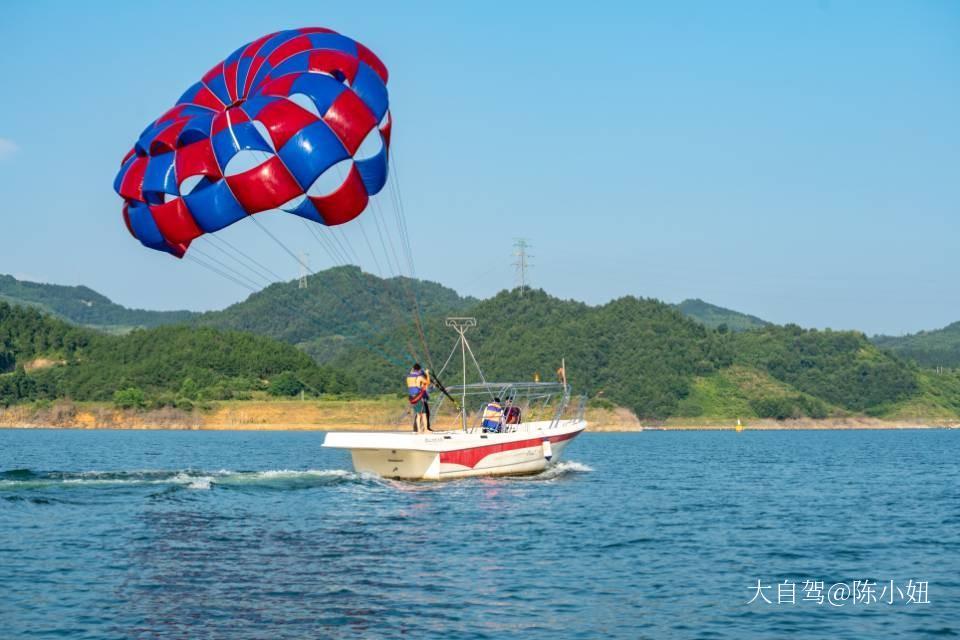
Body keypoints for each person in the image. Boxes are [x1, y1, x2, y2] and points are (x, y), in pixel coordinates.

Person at [406, 363, 430, 433]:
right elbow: (427, 382)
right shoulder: (419, 377)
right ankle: (425, 429)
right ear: (419, 370)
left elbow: (412, 372)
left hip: (411, 397)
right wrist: (427, 373)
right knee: (424, 414)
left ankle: (419, 430)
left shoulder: (409, 376)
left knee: (418, 414)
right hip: (418, 396)